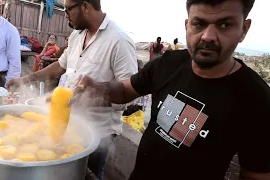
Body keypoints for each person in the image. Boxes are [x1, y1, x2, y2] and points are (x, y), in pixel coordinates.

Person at [75, 0, 270, 180]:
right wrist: (98, 89)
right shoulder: (168, 64)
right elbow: (125, 90)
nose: (208, 36)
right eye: (199, 24)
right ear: (187, 26)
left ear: (244, 29)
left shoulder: (257, 99)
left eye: (225, 24)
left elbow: (256, 174)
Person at [6, 0, 138, 179]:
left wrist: (93, 95)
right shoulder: (77, 35)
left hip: (98, 133)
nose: (65, 13)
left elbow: (131, 96)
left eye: (68, 9)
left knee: (88, 175)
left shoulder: (119, 41)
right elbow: (60, 66)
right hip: (68, 125)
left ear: (84, 6)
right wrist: (27, 78)